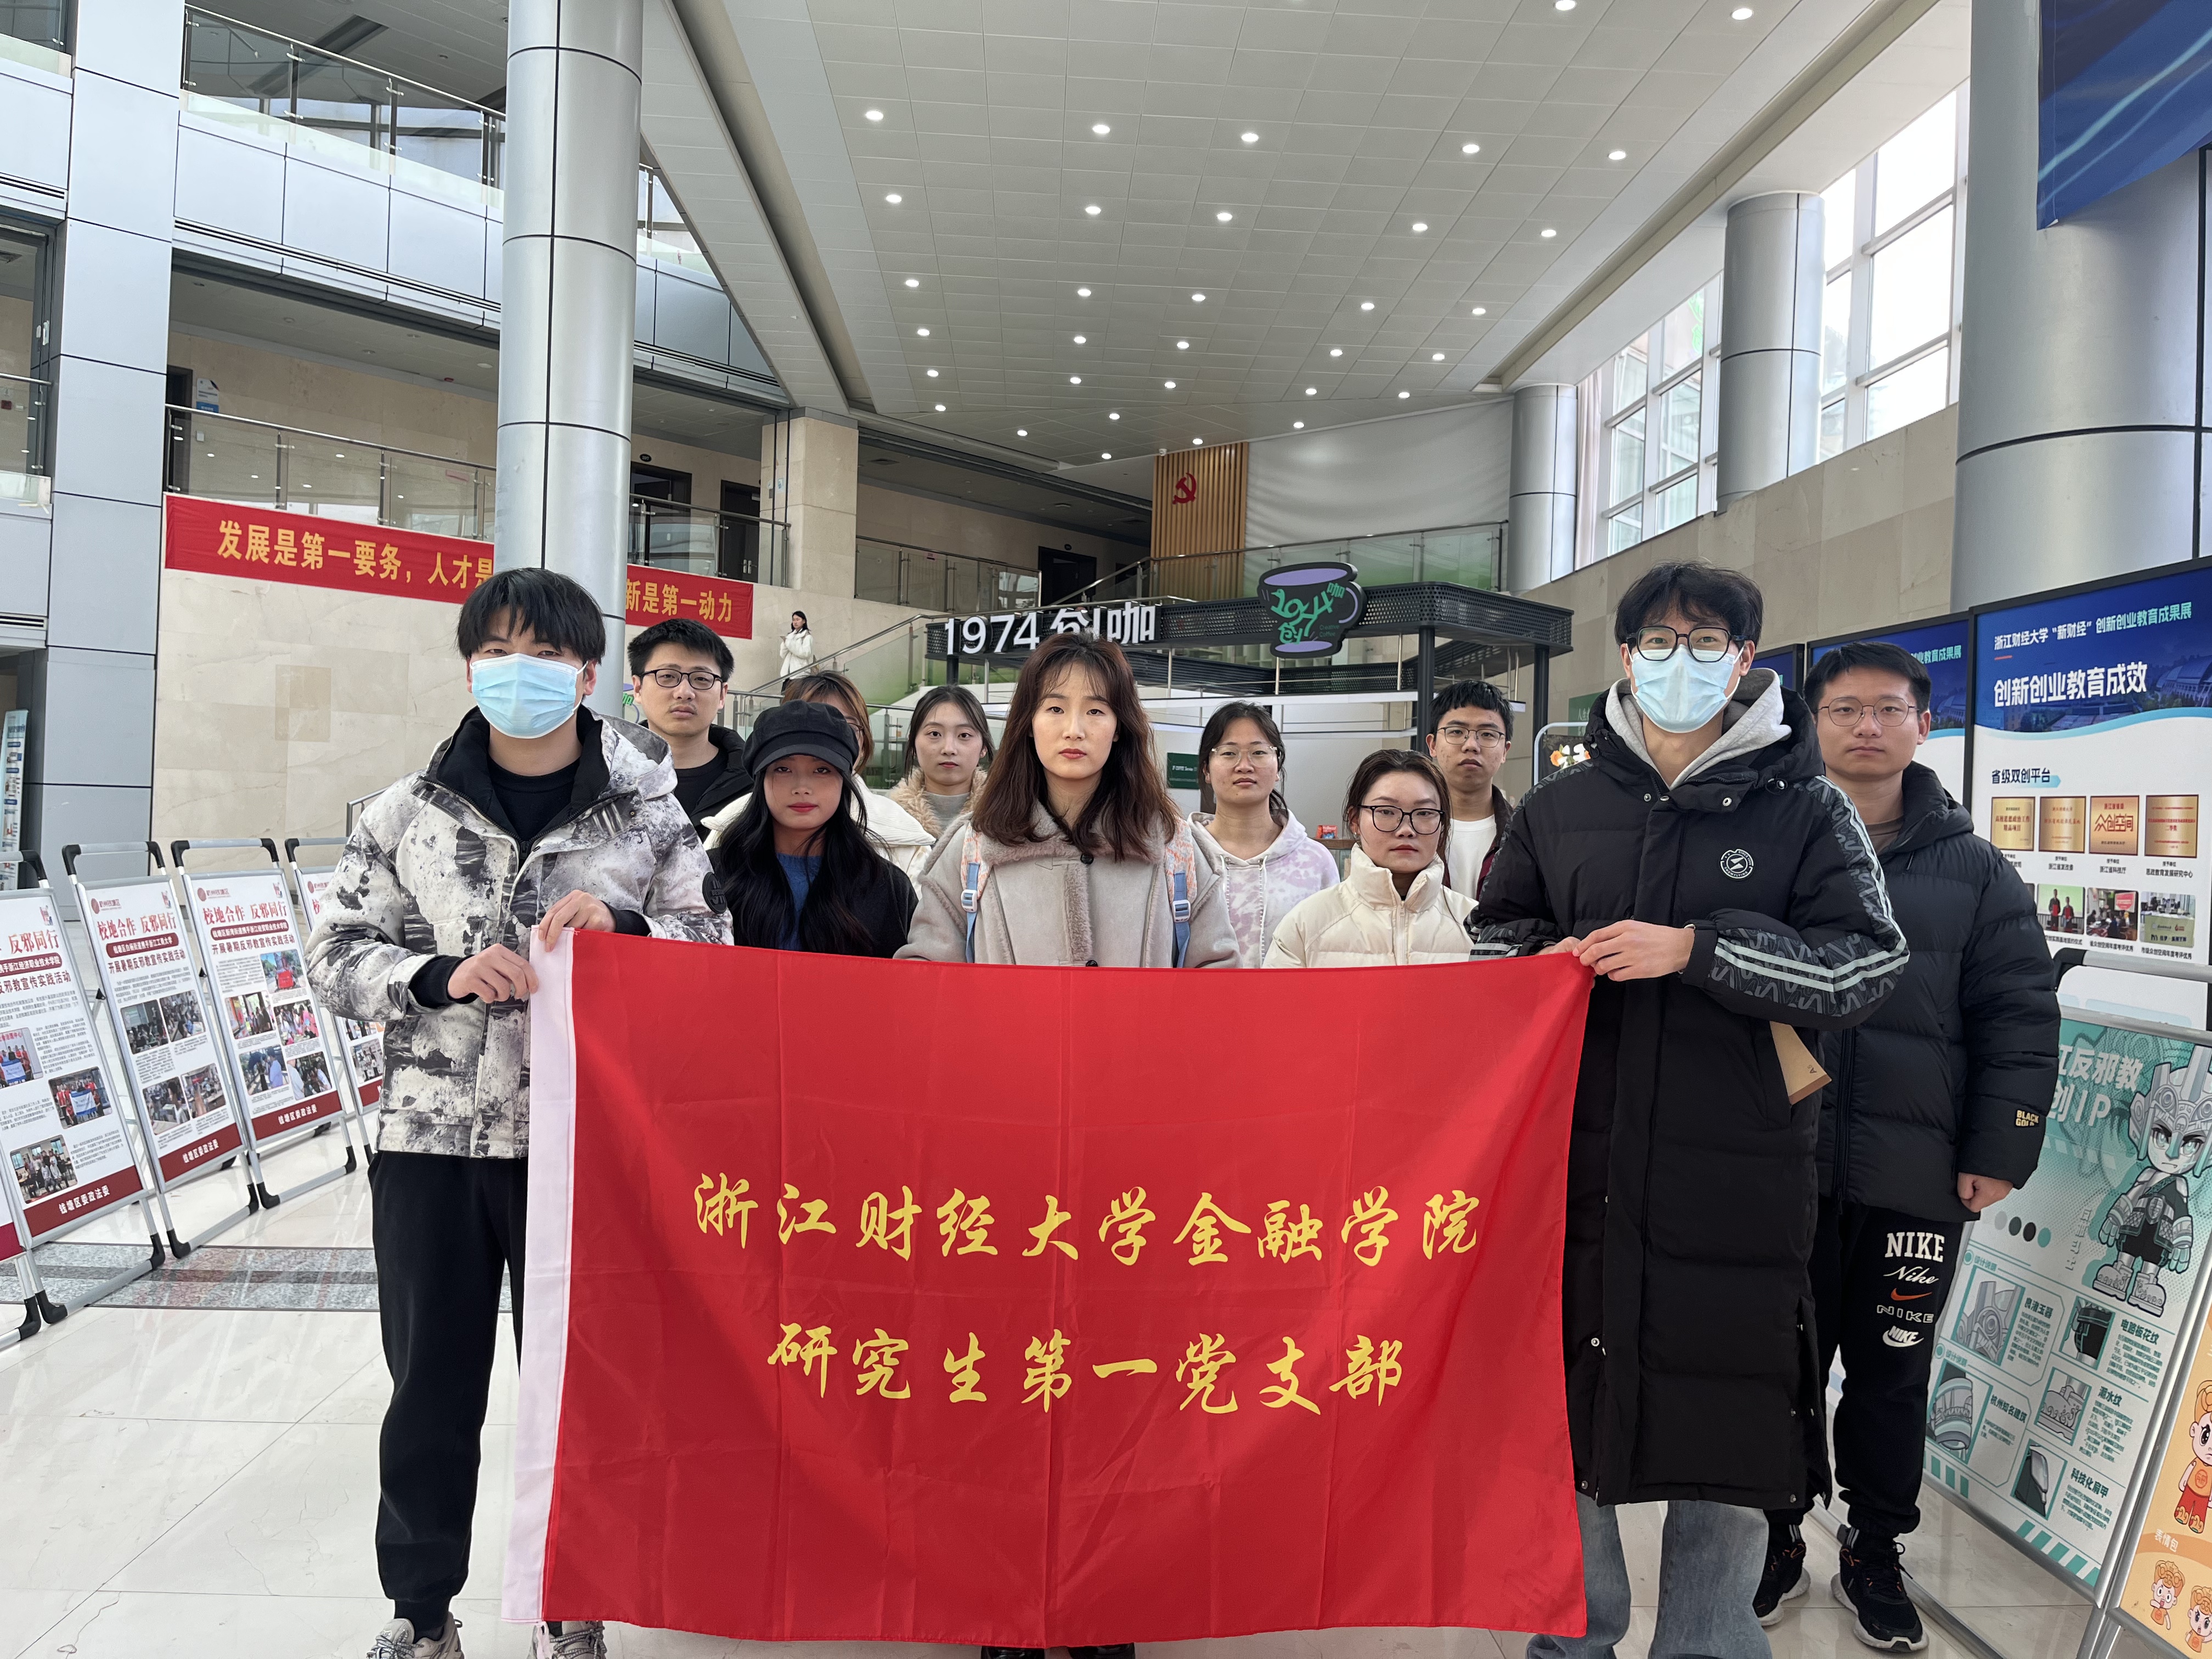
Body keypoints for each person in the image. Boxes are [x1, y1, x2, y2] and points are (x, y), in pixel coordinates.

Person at [1471, 561, 1908, 1659]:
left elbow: (1867, 967)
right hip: (1578, 1162)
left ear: (1744, 659)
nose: (1681, 662)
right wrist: (1550, 963)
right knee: (1567, 1406)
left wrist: (1701, 950)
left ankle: (1708, 1642)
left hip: (1739, 1174)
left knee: (1729, 1419)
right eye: (1658, 643)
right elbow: (1491, 942)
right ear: (1624, 657)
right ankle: (1575, 1632)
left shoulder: (1805, 809)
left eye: (1706, 642)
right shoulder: (1561, 807)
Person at [304, 568, 728, 1659]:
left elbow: (713, 944)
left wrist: (630, 931)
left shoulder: (647, 810)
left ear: (586, 676)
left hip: (585, 1142)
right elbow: (334, 955)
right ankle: (421, 1608)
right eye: (495, 652)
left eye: (542, 655)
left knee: (576, 1387)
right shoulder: (404, 811)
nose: (516, 672)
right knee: (429, 1387)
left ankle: (568, 1599)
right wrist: (436, 974)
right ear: (468, 669)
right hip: (431, 1140)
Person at [1756, 642, 2056, 1650]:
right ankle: (1776, 1533)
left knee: (1892, 1369)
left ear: (1924, 724)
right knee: (1779, 1364)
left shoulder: (1976, 869)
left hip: (1914, 1178)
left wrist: (1998, 1149)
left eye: (1888, 708)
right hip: (1781, 1166)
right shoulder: (1774, 841)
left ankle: (1875, 1547)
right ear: (1814, 723)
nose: (1867, 727)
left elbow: (2019, 1016)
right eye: (1844, 709)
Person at [900, 630, 1237, 974]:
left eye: (1095, 710)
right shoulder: (974, 845)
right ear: (1029, 723)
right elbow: (926, 978)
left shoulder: (1174, 846)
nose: (1074, 729)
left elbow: (1219, 979)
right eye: (1055, 708)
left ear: (1119, 727)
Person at [710, 701, 915, 956]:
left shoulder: (886, 886)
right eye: (783, 769)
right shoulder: (713, 873)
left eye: (822, 770)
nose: (802, 787)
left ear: (844, 780)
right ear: (761, 779)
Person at [703, 670, 936, 875]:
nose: (827, 738)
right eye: (807, 723)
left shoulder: (904, 837)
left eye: (845, 728)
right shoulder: (730, 826)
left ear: (864, 743)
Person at [1263, 749, 1470, 967]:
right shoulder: (1305, 925)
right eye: (1386, 811)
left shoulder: (1475, 927)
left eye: (1424, 813)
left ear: (1442, 824)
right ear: (1355, 820)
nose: (1406, 830)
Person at [1189, 701, 1339, 966]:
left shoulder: (1315, 861)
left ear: (1278, 767)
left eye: (1259, 752)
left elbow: (1331, 952)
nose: (1244, 766)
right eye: (1228, 753)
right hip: (1197, 995)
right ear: (1206, 770)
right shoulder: (1181, 855)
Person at [627, 616, 745, 833]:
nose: (684, 692)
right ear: (638, 688)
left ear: (722, 695)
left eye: (701, 679)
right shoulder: (602, 776)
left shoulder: (754, 784)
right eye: (667, 676)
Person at [1425, 679, 1517, 897]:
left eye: (1487, 734)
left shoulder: (1525, 834)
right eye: (1457, 732)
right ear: (1433, 745)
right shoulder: (1408, 828)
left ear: (1505, 751)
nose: (1471, 746)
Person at [885, 682, 994, 838]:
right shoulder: (887, 814)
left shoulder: (1005, 814)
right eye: (935, 734)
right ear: (913, 744)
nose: (949, 749)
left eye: (964, 735)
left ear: (984, 747)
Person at [778, 610, 816, 684]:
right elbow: (783, 655)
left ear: (804, 621)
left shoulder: (807, 637)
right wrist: (786, 644)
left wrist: (789, 644)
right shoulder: (790, 637)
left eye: (798, 620)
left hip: (800, 675)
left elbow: (806, 653)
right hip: (787, 675)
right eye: (794, 620)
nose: (795, 622)